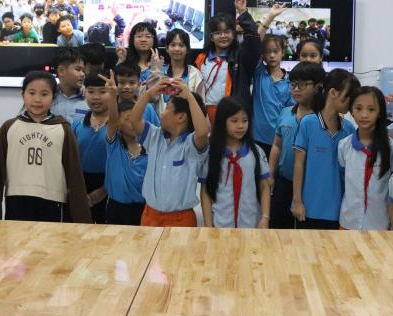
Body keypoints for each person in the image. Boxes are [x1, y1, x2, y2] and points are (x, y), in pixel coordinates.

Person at [0, 71, 90, 223]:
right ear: (23, 95)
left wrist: (82, 221)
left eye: (44, 94)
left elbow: (75, 175)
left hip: (52, 202)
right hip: (17, 200)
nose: (37, 99)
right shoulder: (9, 127)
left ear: (53, 97)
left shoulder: (63, 128)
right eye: (31, 93)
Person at [131, 78, 209, 227]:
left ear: (181, 117)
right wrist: (148, 94)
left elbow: (202, 132)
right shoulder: (155, 136)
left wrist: (189, 95)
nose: (161, 113)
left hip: (181, 219)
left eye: (166, 108)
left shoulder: (191, 145)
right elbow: (134, 120)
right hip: (150, 214)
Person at [291, 69, 359, 229]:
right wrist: (297, 201)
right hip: (308, 209)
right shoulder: (308, 123)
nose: (352, 103)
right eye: (349, 97)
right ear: (333, 93)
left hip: (339, 212)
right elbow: (299, 164)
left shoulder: (349, 129)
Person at [267, 62, 324, 229]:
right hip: (283, 182)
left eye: (302, 85)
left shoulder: (323, 118)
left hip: (310, 185)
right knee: (278, 229)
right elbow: (277, 146)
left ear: (317, 87)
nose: (296, 89)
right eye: (293, 85)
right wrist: (270, 174)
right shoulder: (286, 112)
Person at [200, 97, 271, 228]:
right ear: (222, 122)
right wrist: (208, 225)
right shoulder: (211, 153)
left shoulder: (256, 152)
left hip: (251, 224)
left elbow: (264, 187)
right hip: (220, 225)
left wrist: (265, 217)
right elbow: (205, 191)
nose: (240, 126)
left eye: (245, 120)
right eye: (234, 121)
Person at [338, 86, 393, 230]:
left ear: (380, 112)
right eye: (358, 108)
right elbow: (343, 181)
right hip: (348, 222)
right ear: (351, 111)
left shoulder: (392, 148)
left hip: (380, 225)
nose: (364, 115)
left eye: (371, 109)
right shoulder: (343, 146)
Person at [194, 0, 260, 124]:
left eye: (227, 32)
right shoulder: (201, 59)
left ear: (233, 34)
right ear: (211, 37)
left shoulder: (241, 57)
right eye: (218, 33)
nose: (223, 36)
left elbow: (254, 38)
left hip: (232, 116)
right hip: (204, 114)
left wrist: (243, 12)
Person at [102, 73, 148, 226]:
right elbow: (112, 120)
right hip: (116, 208)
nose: (134, 123)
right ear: (118, 125)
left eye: (138, 119)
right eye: (129, 119)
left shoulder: (150, 149)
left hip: (143, 208)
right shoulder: (114, 145)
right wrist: (112, 95)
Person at [72, 70, 113, 224]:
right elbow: (70, 160)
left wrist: (104, 190)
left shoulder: (118, 125)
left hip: (109, 185)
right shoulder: (77, 123)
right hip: (80, 185)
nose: (96, 97)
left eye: (102, 92)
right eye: (91, 91)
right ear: (85, 93)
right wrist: (77, 191)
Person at [252, 33, 293, 157]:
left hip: (279, 141)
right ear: (262, 55)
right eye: (267, 52)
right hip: (256, 139)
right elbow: (252, 43)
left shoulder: (290, 83)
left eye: (275, 51)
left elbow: (289, 114)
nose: (272, 55)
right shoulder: (259, 72)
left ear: (283, 53)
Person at [155, 28, 205, 117]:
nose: (177, 49)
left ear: (187, 49)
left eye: (181, 45)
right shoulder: (159, 72)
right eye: (173, 45)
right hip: (160, 122)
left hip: (188, 123)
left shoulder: (195, 74)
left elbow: (201, 104)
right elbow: (152, 98)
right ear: (167, 48)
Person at [114, 62, 160, 126]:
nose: (127, 87)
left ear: (139, 84)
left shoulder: (147, 108)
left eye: (132, 83)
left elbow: (157, 130)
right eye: (122, 82)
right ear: (116, 83)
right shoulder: (110, 106)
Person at [50, 48, 88, 125]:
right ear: (61, 71)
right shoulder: (48, 96)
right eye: (78, 69)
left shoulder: (89, 98)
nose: (82, 74)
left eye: (83, 71)